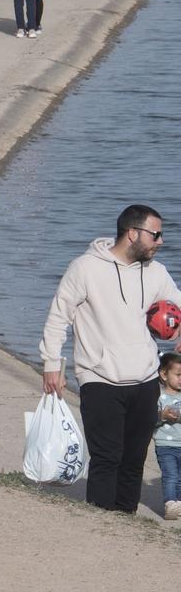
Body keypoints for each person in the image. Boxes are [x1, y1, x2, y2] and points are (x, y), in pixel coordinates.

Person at [40, 205, 174, 515]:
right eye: (156, 234)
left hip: (145, 380)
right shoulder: (85, 268)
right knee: (106, 457)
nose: (161, 241)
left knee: (134, 459)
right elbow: (59, 317)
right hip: (99, 379)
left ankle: (124, 520)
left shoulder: (157, 273)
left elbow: (177, 309)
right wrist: (51, 364)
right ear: (132, 233)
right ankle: (99, 521)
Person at [156, 353, 181, 520]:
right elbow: (150, 419)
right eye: (178, 375)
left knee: (180, 477)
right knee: (171, 475)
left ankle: (178, 503)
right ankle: (170, 503)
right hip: (165, 444)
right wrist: (163, 415)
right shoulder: (158, 396)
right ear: (164, 375)